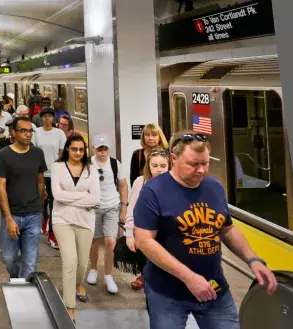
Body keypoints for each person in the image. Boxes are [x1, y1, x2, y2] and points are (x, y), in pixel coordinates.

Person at [134, 130, 277, 329]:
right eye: (193, 164)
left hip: (214, 289)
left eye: (205, 163)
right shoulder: (153, 191)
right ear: (173, 159)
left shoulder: (214, 187)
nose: (201, 170)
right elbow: (144, 241)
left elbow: (227, 229)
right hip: (167, 294)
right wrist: (189, 278)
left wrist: (252, 260)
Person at [50, 134, 100, 323]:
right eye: (74, 149)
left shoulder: (91, 169)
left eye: (81, 149)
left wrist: (68, 195)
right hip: (62, 218)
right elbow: (57, 195)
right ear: (67, 149)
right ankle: (70, 307)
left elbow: (96, 199)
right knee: (70, 261)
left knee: (81, 265)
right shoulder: (57, 167)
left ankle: (77, 284)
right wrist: (83, 197)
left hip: (85, 221)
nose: (77, 153)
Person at [0, 117, 47, 278]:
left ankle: (24, 293)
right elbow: (1, 187)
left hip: (33, 215)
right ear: (13, 133)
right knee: (9, 257)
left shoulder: (37, 153)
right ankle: (16, 278)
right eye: (23, 131)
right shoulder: (3, 155)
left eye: (30, 131)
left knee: (30, 262)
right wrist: (9, 218)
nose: (28, 134)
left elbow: (40, 182)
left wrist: (40, 208)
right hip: (12, 215)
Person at [124, 148, 171, 290]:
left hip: (169, 235)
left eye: (163, 166)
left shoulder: (174, 184)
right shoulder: (140, 182)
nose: (159, 170)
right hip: (147, 234)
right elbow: (132, 208)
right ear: (148, 166)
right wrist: (129, 234)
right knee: (152, 270)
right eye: (155, 166)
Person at [87, 134, 129, 294]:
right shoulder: (88, 164)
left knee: (111, 241)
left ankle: (108, 275)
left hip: (112, 206)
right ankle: (93, 269)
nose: (102, 152)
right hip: (94, 207)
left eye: (105, 149)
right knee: (94, 240)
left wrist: (124, 208)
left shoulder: (114, 163)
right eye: (99, 149)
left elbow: (123, 185)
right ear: (94, 149)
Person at [32, 107, 66, 248]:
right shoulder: (36, 133)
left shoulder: (59, 133)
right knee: (41, 203)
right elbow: (33, 153)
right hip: (40, 174)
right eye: (44, 116)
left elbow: (62, 154)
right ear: (41, 118)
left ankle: (52, 235)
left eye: (49, 116)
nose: (47, 118)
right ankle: (43, 221)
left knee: (54, 205)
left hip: (54, 174)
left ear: (53, 118)